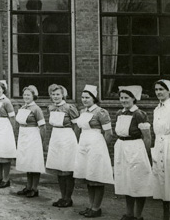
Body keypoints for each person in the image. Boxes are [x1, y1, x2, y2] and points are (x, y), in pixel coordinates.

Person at [73, 84, 114, 218]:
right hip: (84, 144)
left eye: (87, 97)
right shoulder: (83, 112)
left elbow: (109, 133)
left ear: (94, 98)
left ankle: (96, 208)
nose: (84, 100)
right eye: (83, 97)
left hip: (96, 145)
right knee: (88, 177)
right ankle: (91, 206)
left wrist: (102, 148)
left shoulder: (101, 112)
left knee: (97, 178)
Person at [113, 85, 152, 220]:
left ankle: (138, 215)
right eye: (121, 98)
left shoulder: (139, 114)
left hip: (136, 149)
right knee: (126, 182)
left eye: (126, 98)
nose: (123, 100)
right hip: (122, 148)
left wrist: (147, 155)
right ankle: (129, 213)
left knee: (138, 182)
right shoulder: (119, 113)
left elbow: (147, 136)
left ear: (134, 99)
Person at [46, 84, 79, 208]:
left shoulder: (69, 107)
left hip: (67, 138)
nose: (55, 97)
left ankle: (68, 198)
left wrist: (75, 141)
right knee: (58, 169)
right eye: (53, 94)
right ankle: (62, 196)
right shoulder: (50, 108)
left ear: (63, 95)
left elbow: (77, 126)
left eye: (58, 94)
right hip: (56, 137)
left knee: (67, 169)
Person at [15, 85, 45, 198]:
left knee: (34, 162)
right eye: (25, 95)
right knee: (26, 161)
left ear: (33, 96)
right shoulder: (23, 107)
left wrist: (41, 142)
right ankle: (28, 186)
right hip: (23, 136)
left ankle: (34, 188)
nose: (26, 97)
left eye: (28, 95)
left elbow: (42, 126)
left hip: (33, 136)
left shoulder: (36, 109)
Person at [153, 79, 170, 220]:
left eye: (161, 89)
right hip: (159, 145)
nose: (158, 92)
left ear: (169, 90)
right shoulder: (156, 109)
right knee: (162, 182)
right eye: (156, 89)